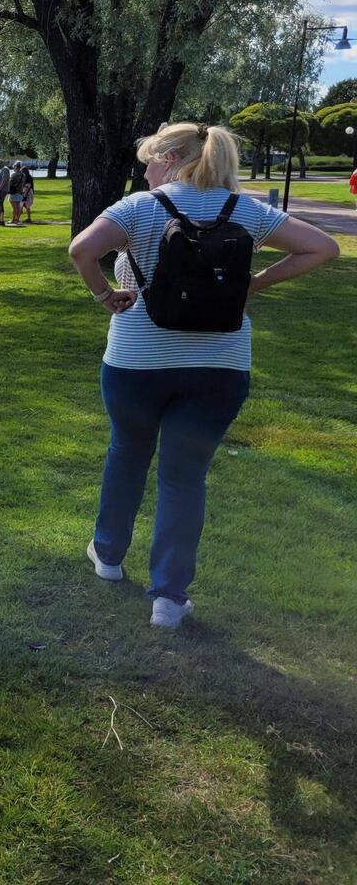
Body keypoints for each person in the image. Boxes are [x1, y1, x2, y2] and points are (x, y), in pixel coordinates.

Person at [67, 123, 338, 628]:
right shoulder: (244, 209)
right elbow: (323, 248)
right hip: (219, 367)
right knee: (184, 475)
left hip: (136, 364)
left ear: (169, 159)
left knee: (127, 451)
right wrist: (255, 284)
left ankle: (107, 555)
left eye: (149, 161)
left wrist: (106, 296)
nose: (144, 171)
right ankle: (169, 598)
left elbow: (82, 249)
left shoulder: (138, 208)